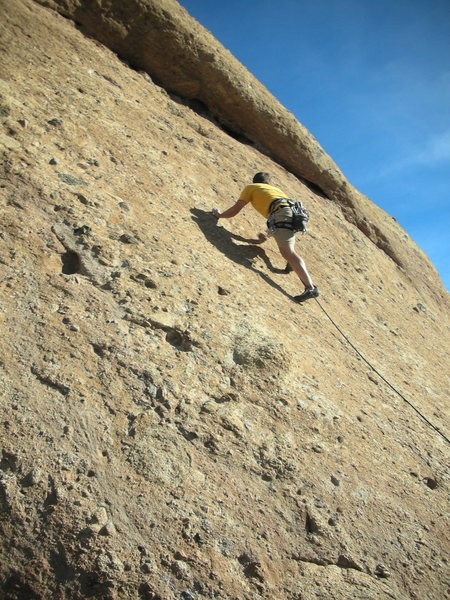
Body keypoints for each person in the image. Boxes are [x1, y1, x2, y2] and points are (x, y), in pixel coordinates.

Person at [212, 172, 319, 302]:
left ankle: (310, 287)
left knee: (287, 252)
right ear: (268, 183)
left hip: (281, 213)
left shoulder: (251, 187)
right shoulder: (275, 190)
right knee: (287, 246)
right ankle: (291, 263)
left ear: (255, 181)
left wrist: (219, 215)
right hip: (293, 213)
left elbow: (236, 209)